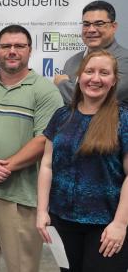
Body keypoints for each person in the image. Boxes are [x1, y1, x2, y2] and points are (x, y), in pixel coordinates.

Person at [0, 25, 63, 272]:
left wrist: (4, 168)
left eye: (19, 46)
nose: (12, 51)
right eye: (6, 46)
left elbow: (45, 140)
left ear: (29, 50)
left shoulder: (46, 90)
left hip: (22, 195)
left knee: (22, 267)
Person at [37, 50, 128, 272]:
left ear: (114, 80)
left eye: (104, 73)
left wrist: (120, 223)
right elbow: (47, 164)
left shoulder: (123, 118)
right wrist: (41, 210)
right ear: (80, 76)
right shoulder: (61, 115)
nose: (95, 78)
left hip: (106, 226)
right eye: (89, 71)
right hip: (63, 222)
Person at [54, 0, 128, 106]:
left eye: (99, 24)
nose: (91, 30)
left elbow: (98, 101)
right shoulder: (72, 62)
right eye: (86, 24)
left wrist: (62, 84)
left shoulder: (125, 60)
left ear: (113, 27)